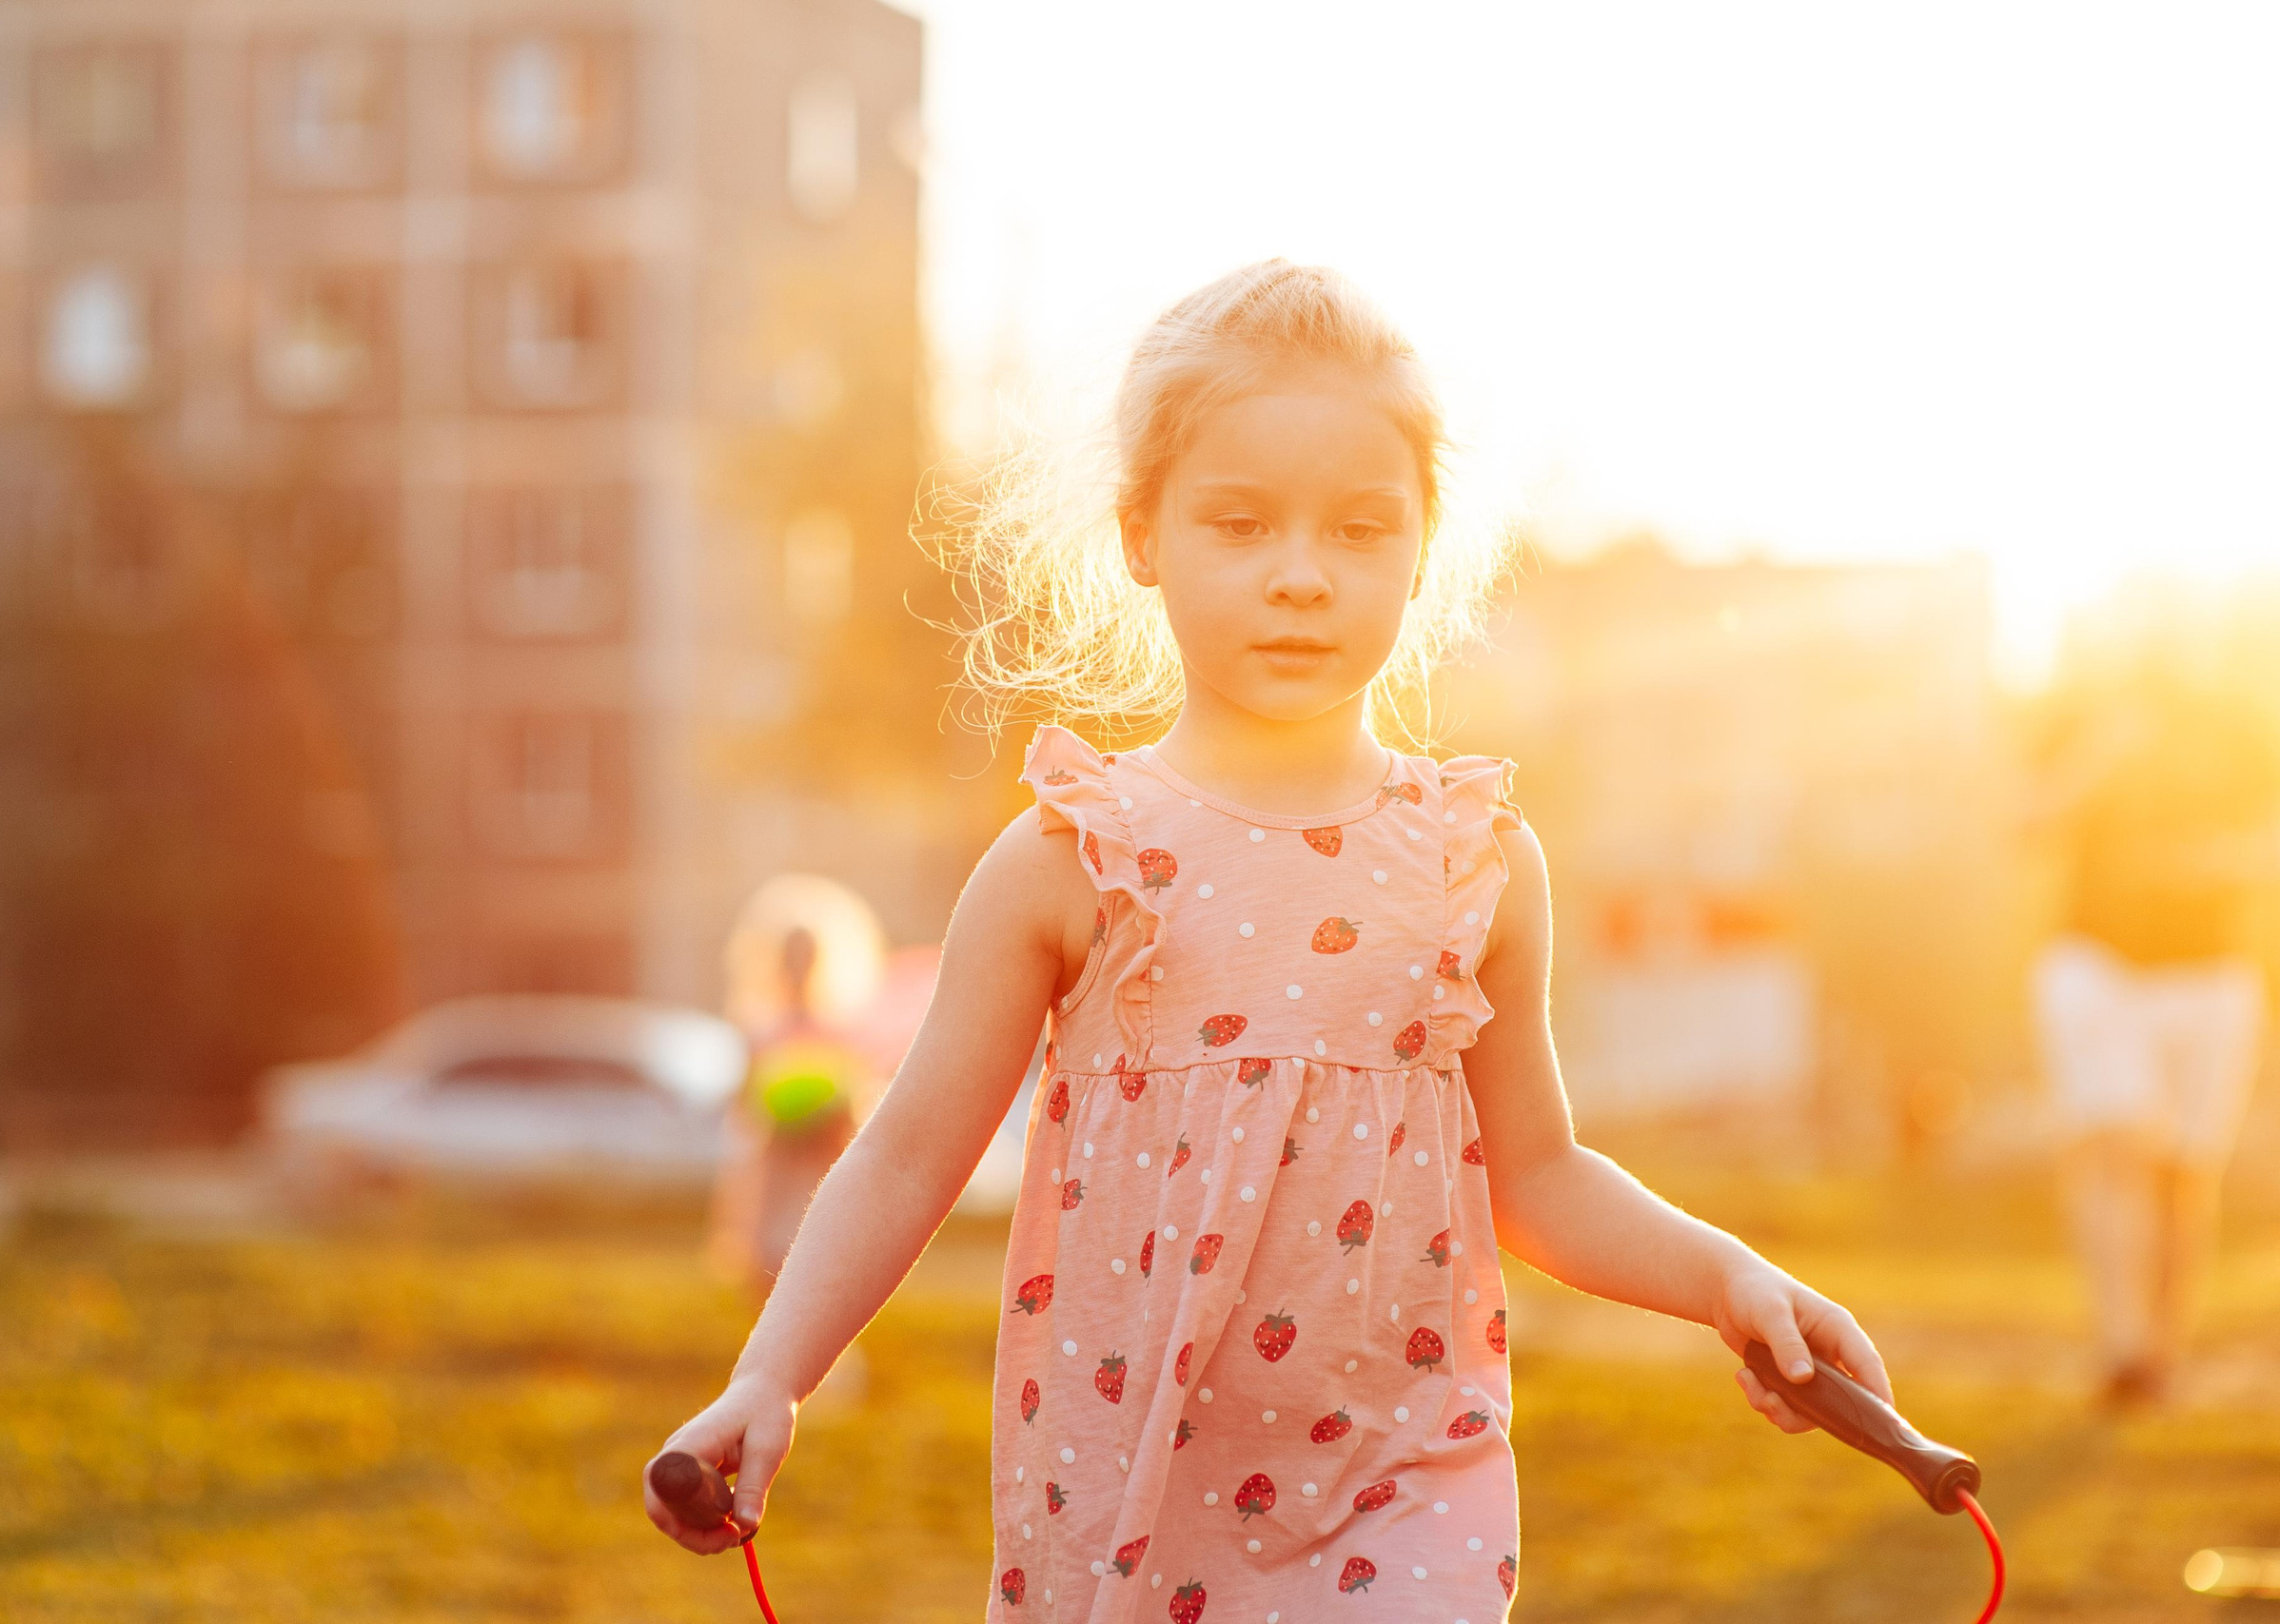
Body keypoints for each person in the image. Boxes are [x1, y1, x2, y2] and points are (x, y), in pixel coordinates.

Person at [650, 261, 1893, 1620]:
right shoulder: (1074, 855)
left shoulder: (1478, 860)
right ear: (1144, 533)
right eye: (1241, 524)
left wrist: (1733, 1277)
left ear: (1423, 544)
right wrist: (770, 1371)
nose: (1301, 576)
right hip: (1121, 1493)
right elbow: (902, 1154)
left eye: (1359, 530)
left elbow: (1538, 1173)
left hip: (1402, 1482)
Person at [2026, 655, 2278, 1408]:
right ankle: (2122, 1343)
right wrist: (2101, 755)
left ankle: (2159, 1352)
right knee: (2115, 1144)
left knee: (2184, 1173)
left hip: (2209, 972)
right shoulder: (2078, 704)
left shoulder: (2241, 711)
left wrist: (2202, 863)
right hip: (2099, 962)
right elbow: (2025, 817)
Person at [704, 874, 889, 1311]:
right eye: (791, 956)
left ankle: (825, 1369)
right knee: (766, 1273)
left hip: (822, 1170)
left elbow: (861, 1111)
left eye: (807, 955)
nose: (799, 966)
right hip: (774, 1173)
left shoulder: (842, 1032)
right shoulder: (759, 1031)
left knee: (824, 1277)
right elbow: (743, 1111)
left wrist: (834, 1114)